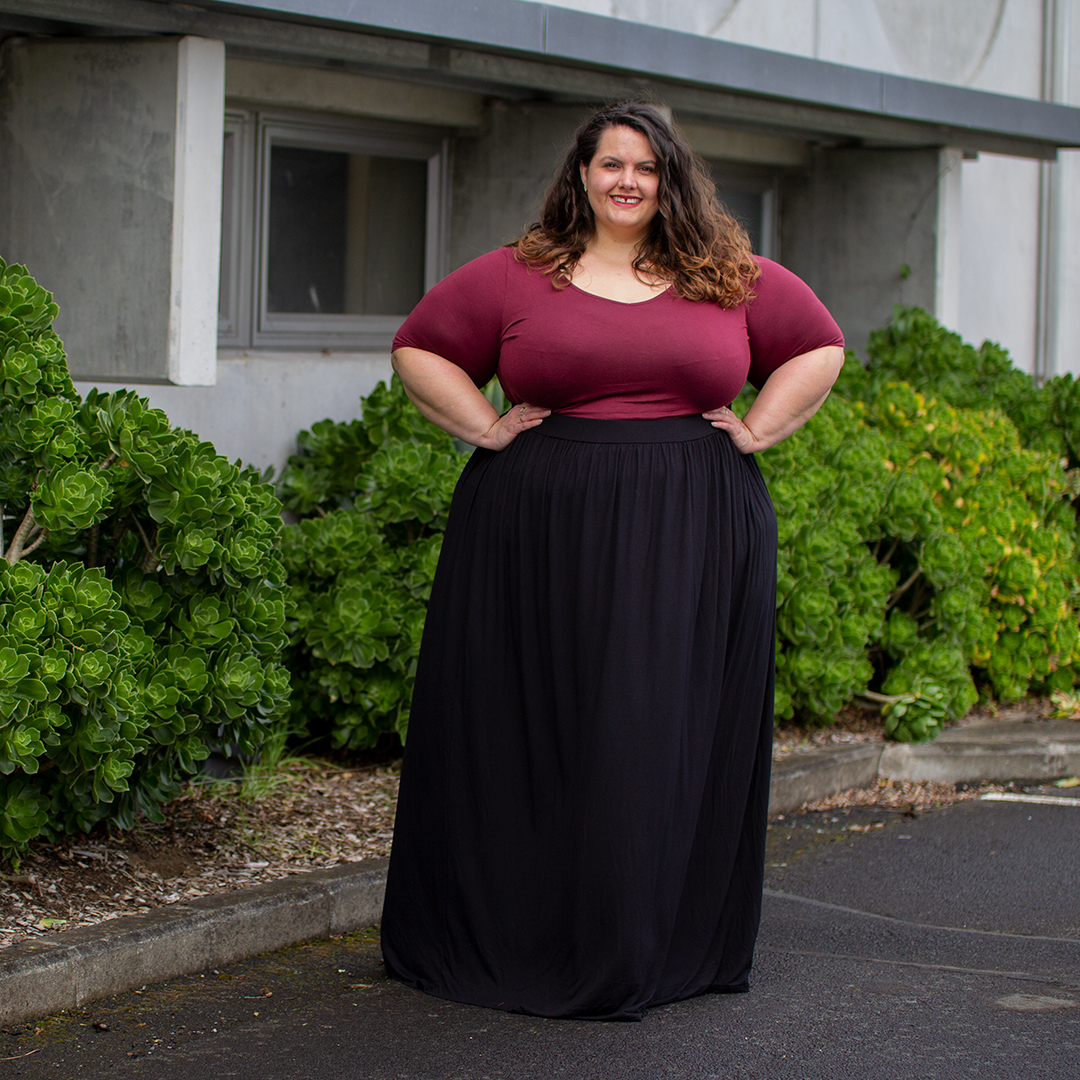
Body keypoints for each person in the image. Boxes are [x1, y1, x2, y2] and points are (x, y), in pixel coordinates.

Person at [380, 101, 845, 1021]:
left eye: (646, 167)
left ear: (672, 179)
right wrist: (484, 425)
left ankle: (655, 937)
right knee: (532, 724)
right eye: (609, 165)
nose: (627, 181)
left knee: (655, 729)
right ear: (581, 176)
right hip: (537, 532)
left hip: (695, 533)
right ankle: (526, 932)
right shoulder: (521, 273)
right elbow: (421, 347)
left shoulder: (728, 274)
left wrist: (757, 430)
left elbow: (819, 344)